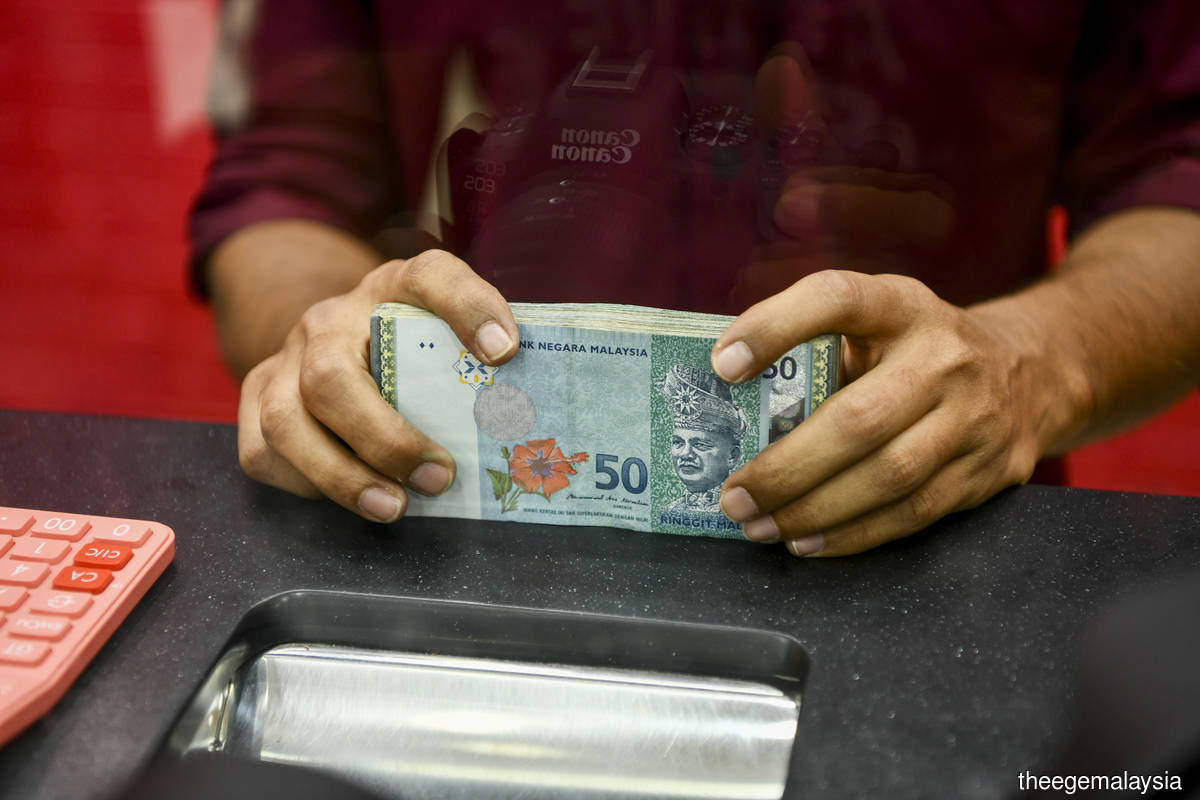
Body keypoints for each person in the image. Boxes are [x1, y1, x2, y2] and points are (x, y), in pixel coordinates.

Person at [191, 1, 1200, 556]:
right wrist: (333, 349)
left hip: (934, 541)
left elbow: (1178, 170)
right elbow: (287, 180)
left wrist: (1028, 362)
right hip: (470, 533)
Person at [657, 365, 749, 513]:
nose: (685, 454)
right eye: (678, 442)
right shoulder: (670, 509)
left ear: (732, 456)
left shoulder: (744, 510)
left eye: (700, 444)